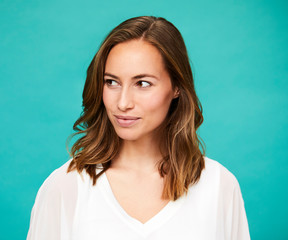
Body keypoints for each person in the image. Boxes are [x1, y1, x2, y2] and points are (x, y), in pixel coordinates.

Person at [27, 16, 250, 240]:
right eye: (111, 82)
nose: (123, 103)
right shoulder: (66, 186)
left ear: (177, 87)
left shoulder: (219, 185)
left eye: (143, 83)